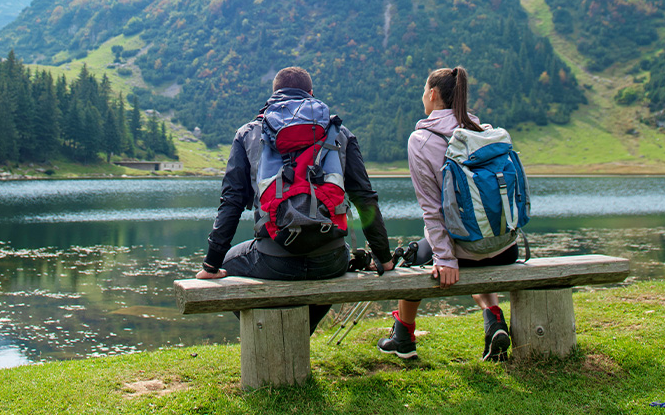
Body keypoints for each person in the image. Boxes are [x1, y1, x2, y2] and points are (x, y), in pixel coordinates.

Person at [196, 66, 395, 333]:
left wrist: (211, 263)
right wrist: (384, 257)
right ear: (311, 95)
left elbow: (231, 202)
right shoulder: (339, 133)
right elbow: (365, 199)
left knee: (228, 265)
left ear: (274, 95)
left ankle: (273, 334)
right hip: (331, 259)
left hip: (273, 258)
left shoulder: (249, 133)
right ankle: (298, 333)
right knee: (330, 266)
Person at [377, 66, 517, 361]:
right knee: (470, 249)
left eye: (423, 90)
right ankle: (493, 318)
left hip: (464, 253)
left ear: (432, 94)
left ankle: (403, 336)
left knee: (414, 260)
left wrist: (445, 259)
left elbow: (431, 209)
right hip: (506, 248)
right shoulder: (485, 132)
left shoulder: (421, 140)